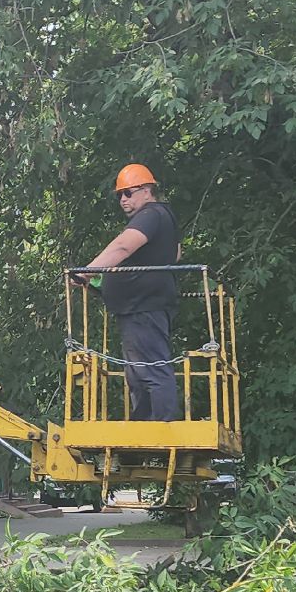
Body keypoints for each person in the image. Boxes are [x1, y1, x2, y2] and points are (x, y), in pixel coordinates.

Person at [84, 163, 182, 422]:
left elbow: (124, 246)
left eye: (128, 193)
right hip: (140, 308)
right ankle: (145, 425)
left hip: (143, 307)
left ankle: (162, 429)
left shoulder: (151, 214)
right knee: (139, 373)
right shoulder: (164, 218)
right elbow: (176, 253)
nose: (123, 200)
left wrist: (88, 270)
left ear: (147, 190)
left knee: (150, 370)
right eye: (119, 195)